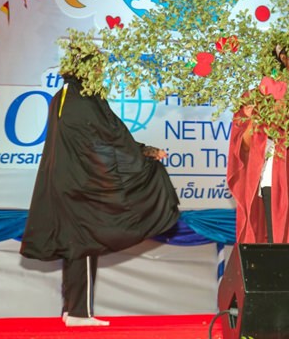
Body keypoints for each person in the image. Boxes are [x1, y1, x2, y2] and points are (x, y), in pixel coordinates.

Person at [20, 56, 180, 327]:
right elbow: (112, 136)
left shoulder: (60, 96)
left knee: (74, 244)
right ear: (85, 69)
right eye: (97, 68)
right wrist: (145, 152)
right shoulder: (85, 98)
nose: (100, 73)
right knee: (83, 243)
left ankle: (72, 310)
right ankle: (80, 314)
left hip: (63, 182)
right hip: (78, 184)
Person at [226, 42, 289, 244]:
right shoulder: (259, 96)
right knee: (279, 245)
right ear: (283, 58)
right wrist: (255, 120)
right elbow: (244, 148)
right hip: (276, 178)